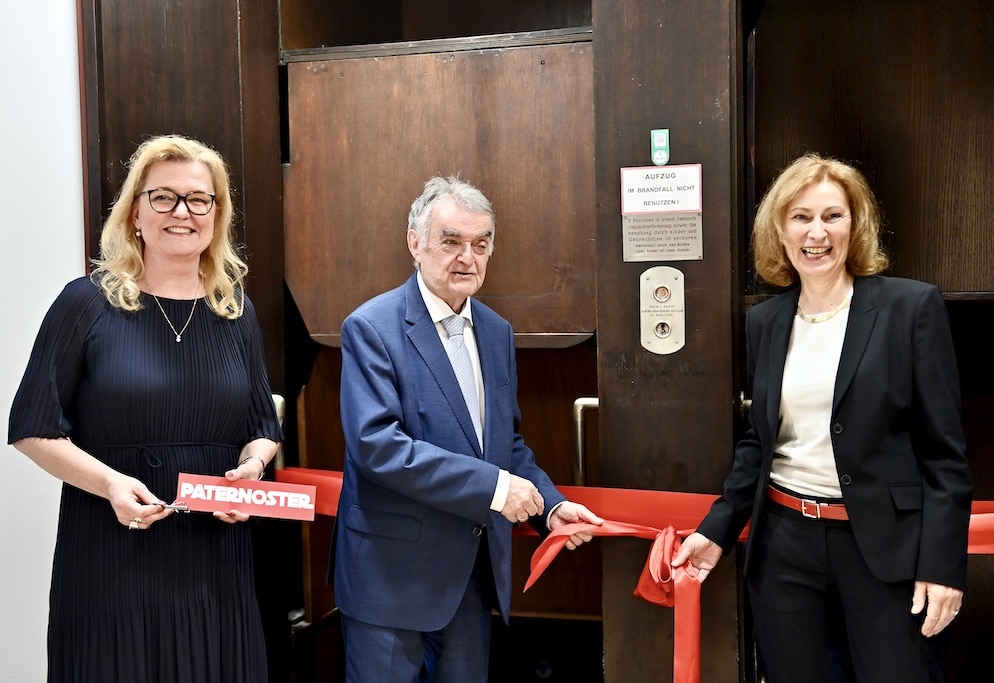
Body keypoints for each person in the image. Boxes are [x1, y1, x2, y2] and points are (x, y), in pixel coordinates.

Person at [672, 153, 971, 681]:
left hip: (885, 549)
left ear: (855, 226)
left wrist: (943, 567)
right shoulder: (765, 321)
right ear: (781, 231)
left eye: (833, 216)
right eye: (801, 217)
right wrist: (718, 530)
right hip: (785, 545)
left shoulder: (910, 308)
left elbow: (944, 456)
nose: (817, 232)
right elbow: (759, 443)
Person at [7, 134, 283, 682]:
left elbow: (261, 426)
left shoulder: (235, 311)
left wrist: (250, 472)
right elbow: (32, 428)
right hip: (112, 552)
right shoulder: (85, 303)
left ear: (216, 216)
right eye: (163, 197)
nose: (182, 213)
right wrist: (111, 483)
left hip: (214, 560)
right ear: (135, 212)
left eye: (199, 200)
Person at [333, 176, 604, 682]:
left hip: (473, 577)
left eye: (481, 244)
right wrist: (497, 489)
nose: (467, 257)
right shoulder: (371, 327)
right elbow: (379, 447)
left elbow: (506, 444)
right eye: (451, 241)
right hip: (391, 580)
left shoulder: (497, 332)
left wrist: (553, 506)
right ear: (415, 243)